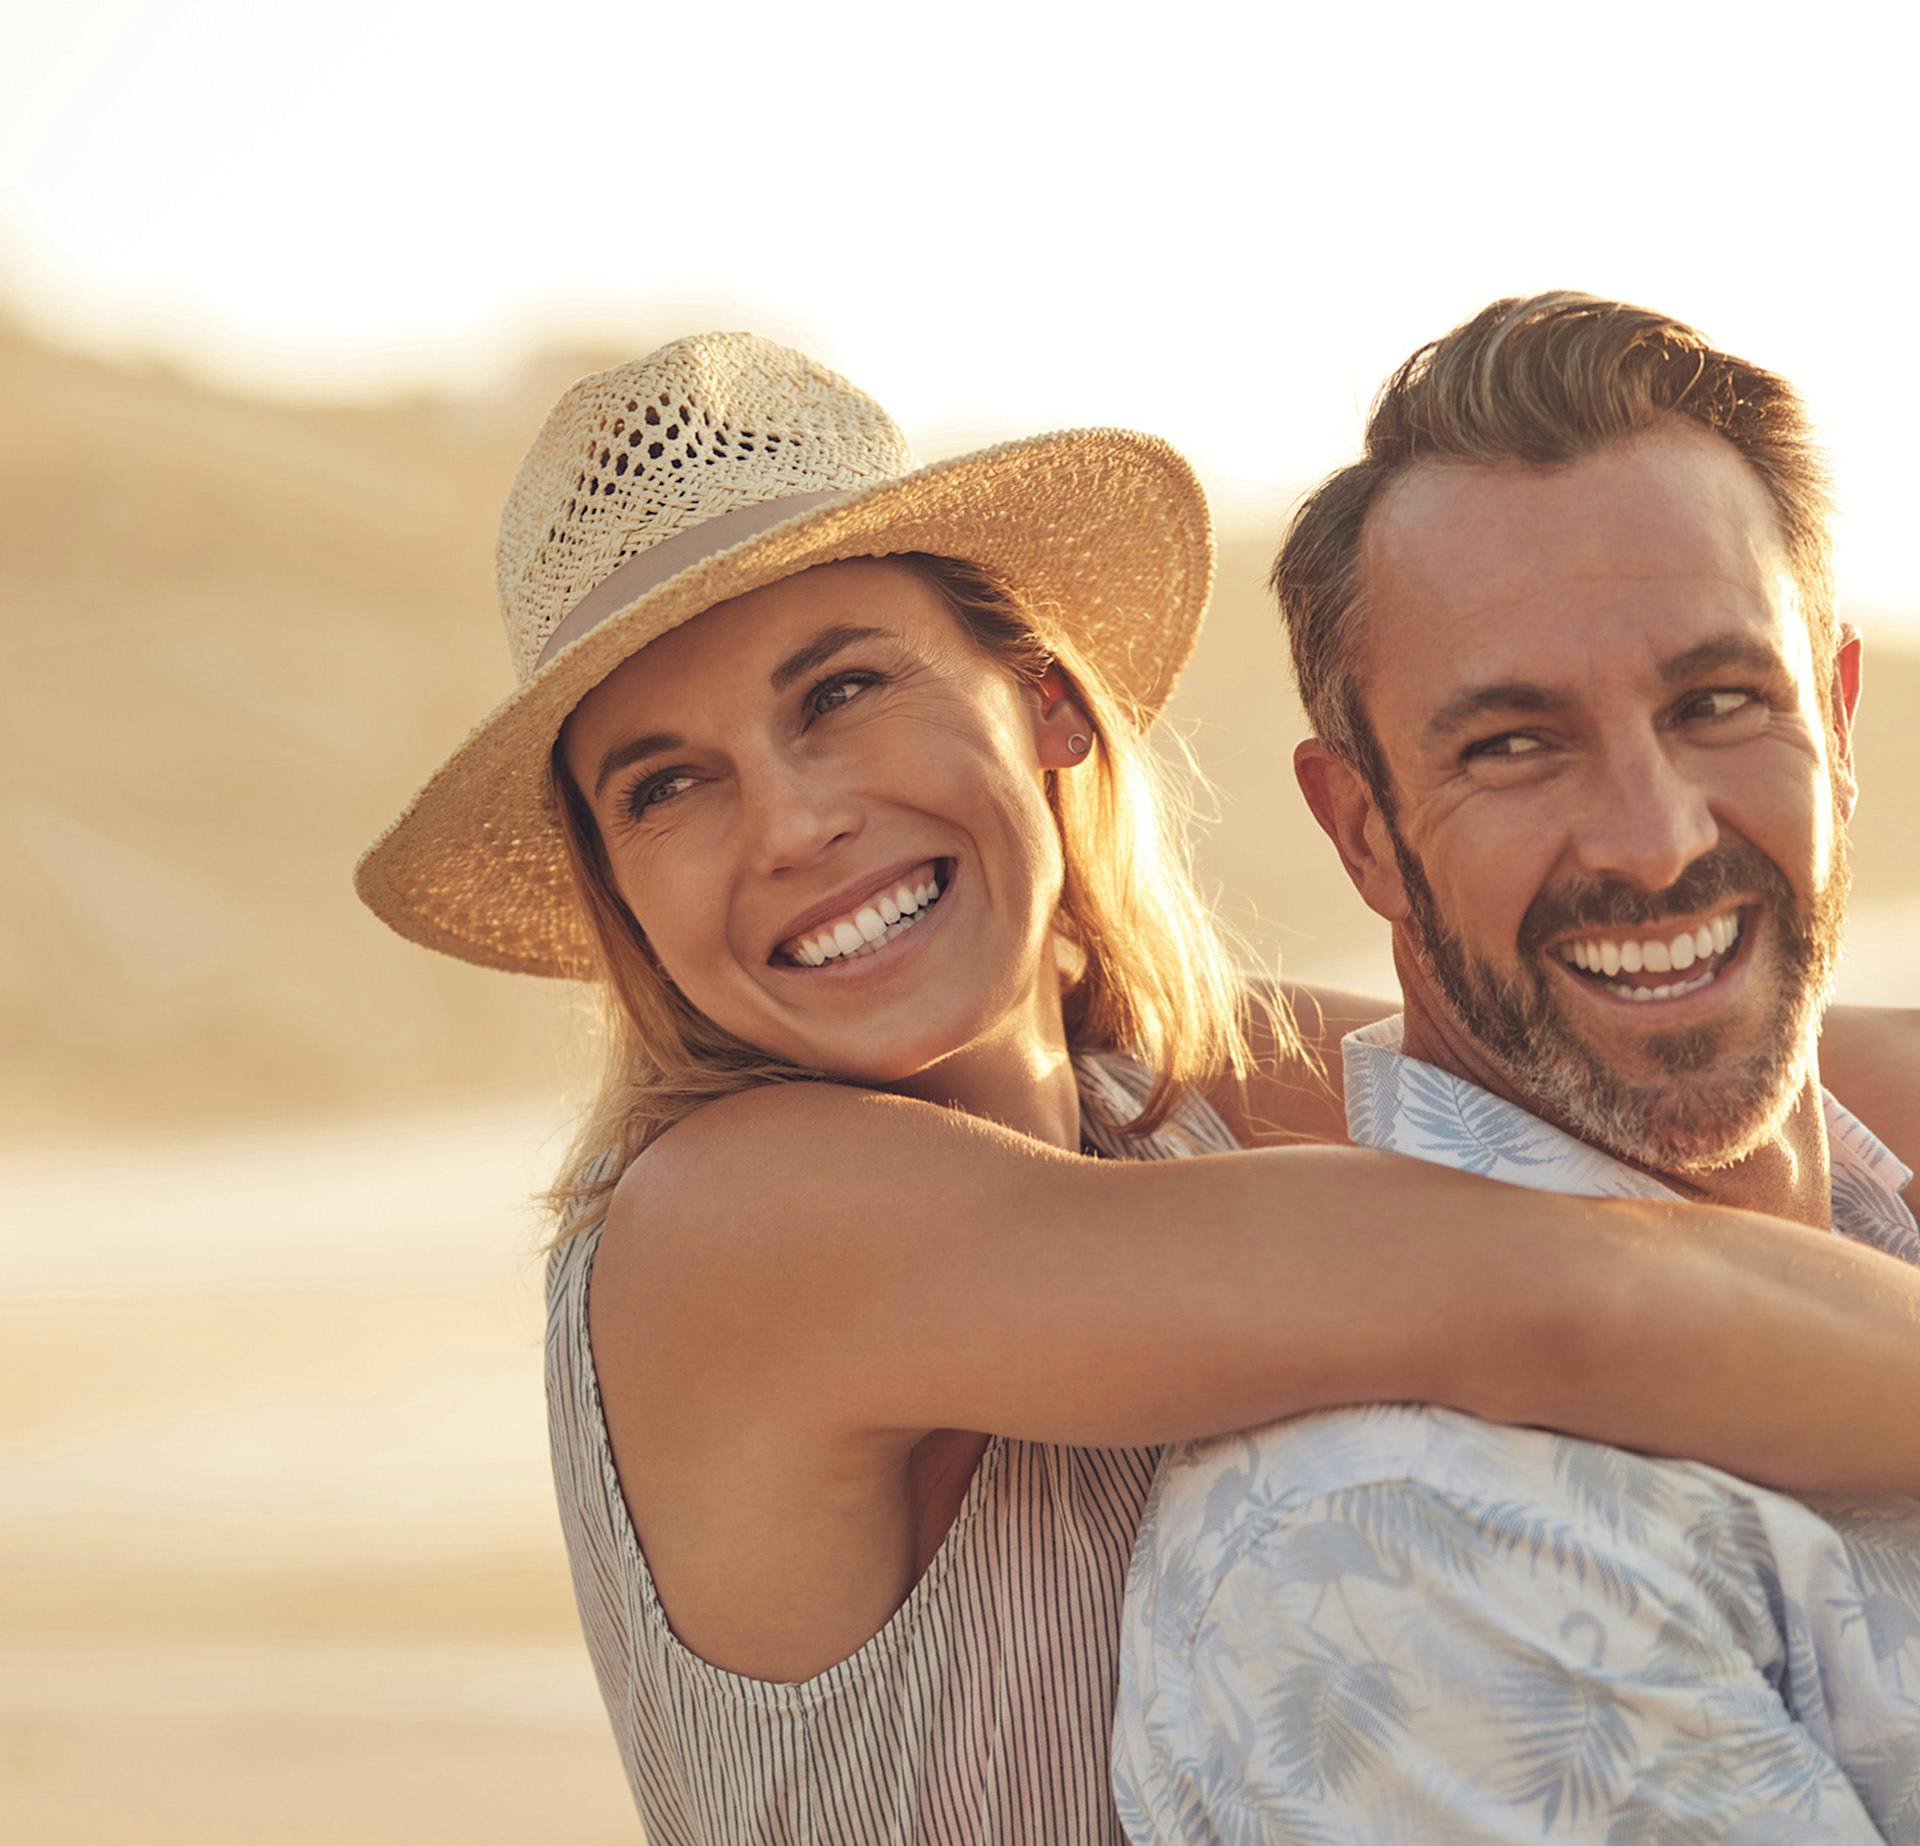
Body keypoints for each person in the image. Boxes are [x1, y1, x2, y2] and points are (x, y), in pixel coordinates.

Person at [354, 330, 1920, 1844]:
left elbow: (1666, 1029)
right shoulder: (733, 1223)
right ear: (622, 887)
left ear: (1040, 694)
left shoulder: (1163, 1094)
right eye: (668, 783)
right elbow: (1567, 1300)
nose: (790, 823)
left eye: (839, 693)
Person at [1116, 293, 1920, 1842]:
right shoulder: (1398, 1538)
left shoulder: (1875, 1211)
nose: (1656, 837)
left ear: (1833, 712)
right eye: (1514, 746)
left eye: (1720, 701)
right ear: (1363, 829)